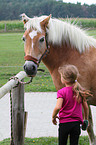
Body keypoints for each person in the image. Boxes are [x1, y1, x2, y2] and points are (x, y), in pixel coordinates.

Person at [52, 65, 92, 145]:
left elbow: (58, 107)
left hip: (64, 124)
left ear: (64, 80)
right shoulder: (79, 92)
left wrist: (53, 116)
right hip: (76, 124)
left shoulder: (61, 92)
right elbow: (86, 107)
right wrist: (86, 119)